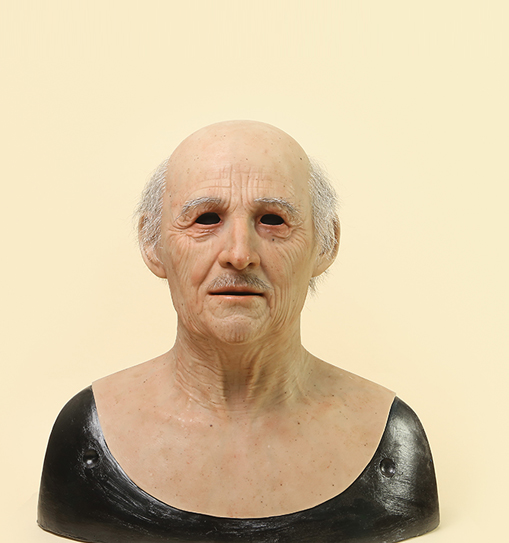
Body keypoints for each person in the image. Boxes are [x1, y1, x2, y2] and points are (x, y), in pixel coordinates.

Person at [38, 121, 439, 543]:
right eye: (206, 218)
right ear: (152, 244)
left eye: (273, 220)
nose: (239, 254)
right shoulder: (88, 436)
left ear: (326, 244)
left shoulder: (391, 439)